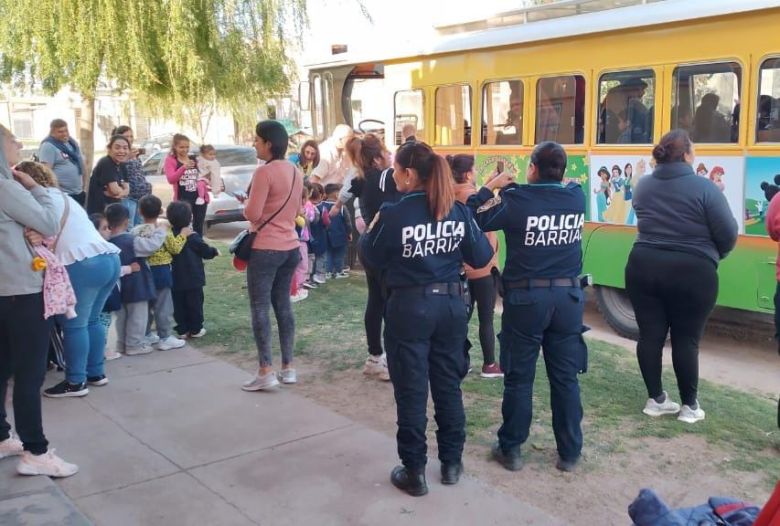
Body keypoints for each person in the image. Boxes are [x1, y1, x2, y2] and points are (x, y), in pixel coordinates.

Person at [360, 140, 492, 497]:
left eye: (398, 171)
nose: (396, 177)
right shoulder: (456, 210)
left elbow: (369, 254)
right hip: (449, 308)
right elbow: (480, 256)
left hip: (409, 309)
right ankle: (451, 462)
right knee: (448, 385)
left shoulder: (394, 213)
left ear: (409, 174)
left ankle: (414, 470)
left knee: (412, 390)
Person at [468, 141, 589, 473]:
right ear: (562, 170)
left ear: (532, 168)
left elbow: (475, 216)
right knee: (565, 378)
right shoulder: (576, 198)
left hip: (527, 301)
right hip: (567, 300)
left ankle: (511, 449)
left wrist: (492, 186)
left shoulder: (517, 200)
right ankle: (569, 452)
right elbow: (564, 185)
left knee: (520, 378)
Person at [626, 129, 738, 423]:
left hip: (643, 265)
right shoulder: (705, 188)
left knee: (650, 335)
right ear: (687, 155)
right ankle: (689, 407)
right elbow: (727, 234)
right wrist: (712, 256)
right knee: (686, 339)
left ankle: (656, 400)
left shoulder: (643, 185)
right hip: (692, 272)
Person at [0, 125, 79, 476]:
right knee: (30, 374)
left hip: (6, 291)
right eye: (12, 140)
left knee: (2, 368)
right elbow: (48, 221)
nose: (18, 145)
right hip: (21, 291)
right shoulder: (6, 187)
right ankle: (35, 450)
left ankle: (2, 435)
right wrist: (36, 189)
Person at [241, 120, 304, 391]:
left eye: (257, 139)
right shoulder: (295, 171)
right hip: (290, 246)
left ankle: (265, 369)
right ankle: (288, 367)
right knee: (283, 306)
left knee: (260, 307)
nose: (254, 144)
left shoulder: (263, 173)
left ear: (268, 143)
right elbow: (295, 207)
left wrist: (246, 204)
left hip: (266, 248)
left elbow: (253, 214)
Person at [335, 135, 401, 381]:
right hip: (384, 248)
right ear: (376, 158)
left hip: (370, 246)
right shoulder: (384, 177)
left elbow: (345, 194)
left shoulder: (360, 178)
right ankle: (390, 360)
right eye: (386, 152)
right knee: (391, 304)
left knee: (376, 301)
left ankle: (375, 356)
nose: (390, 156)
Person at [449, 154, 502, 378]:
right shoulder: (473, 198)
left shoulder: (449, 194)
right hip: (483, 268)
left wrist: (489, 184)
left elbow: (476, 197)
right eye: (475, 170)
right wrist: (497, 186)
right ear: (469, 174)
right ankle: (490, 364)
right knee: (486, 319)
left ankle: (460, 361)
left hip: (461, 269)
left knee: (461, 318)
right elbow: (490, 207)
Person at [132, 195, 189, 351]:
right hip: (162, 271)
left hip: (143, 272)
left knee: (147, 306)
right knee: (163, 306)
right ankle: (165, 336)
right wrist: (183, 235)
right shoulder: (163, 231)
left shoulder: (136, 231)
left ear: (139, 212)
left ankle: (146, 334)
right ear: (161, 211)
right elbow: (175, 248)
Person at [106, 203, 159, 357]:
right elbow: (150, 247)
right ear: (126, 221)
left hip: (119, 286)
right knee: (138, 317)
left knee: (122, 317)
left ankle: (122, 344)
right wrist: (159, 233)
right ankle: (134, 345)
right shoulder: (130, 240)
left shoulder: (108, 241)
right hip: (137, 285)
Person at [168, 201, 219, 339]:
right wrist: (214, 251)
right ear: (190, 217)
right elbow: (205, 251)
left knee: (178, 305)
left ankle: (182, 329)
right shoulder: (192, 236)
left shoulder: (169, 237)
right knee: (195, 304)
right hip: (193, 278)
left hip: (175, 278)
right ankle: (196, 329)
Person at [164, 134, 207, 235]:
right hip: (182, 199)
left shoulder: (194, 159)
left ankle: (198, 248)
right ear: (175, 146)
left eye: (187, 147)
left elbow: (204, 175)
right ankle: (183, 248)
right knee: (182, 227)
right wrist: (183, 167)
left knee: (198, 227)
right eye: (181, 147)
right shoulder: (171, 160)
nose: (185, 150)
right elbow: (171, 179)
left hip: (199, 199)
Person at [38, 119, 87, 207]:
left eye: (66, 130)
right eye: (60, 132)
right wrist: (57, 191)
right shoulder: (48, 146)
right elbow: (45, 172)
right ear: (52, 132)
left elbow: (81, 162)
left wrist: (83, 185)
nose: (64, 134)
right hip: (64, 195)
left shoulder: (72, 143)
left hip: (78, 192)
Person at [112, 125, 152, 226]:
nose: (129, 139)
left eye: (131, 136)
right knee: (128, 226)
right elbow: (116, 170)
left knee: (140, 226)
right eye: (126, 136)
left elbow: (139, 172)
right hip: (129, 197)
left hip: (141, 197)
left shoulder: (133, 152)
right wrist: (126, 157)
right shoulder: (117, 153)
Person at [86, 135, 131, 215]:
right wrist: (122, 191)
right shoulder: (106, 162)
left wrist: (122, 192)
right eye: (117, 148)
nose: (121, 151)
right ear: (109, 149)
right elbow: (115, 190)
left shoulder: (122, 164)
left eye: (125, 148)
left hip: (113, 207)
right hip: (100, 212)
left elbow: (127, 188)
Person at [321, 183, 351, 279]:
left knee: (328, 253)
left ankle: (328, 272)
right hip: (340, 235)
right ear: (337, 195)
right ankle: (338, 271)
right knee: (339, 254)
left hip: (325, 235)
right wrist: (349, 232)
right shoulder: (342, 207)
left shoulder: (322, 206)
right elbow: (348, 222)